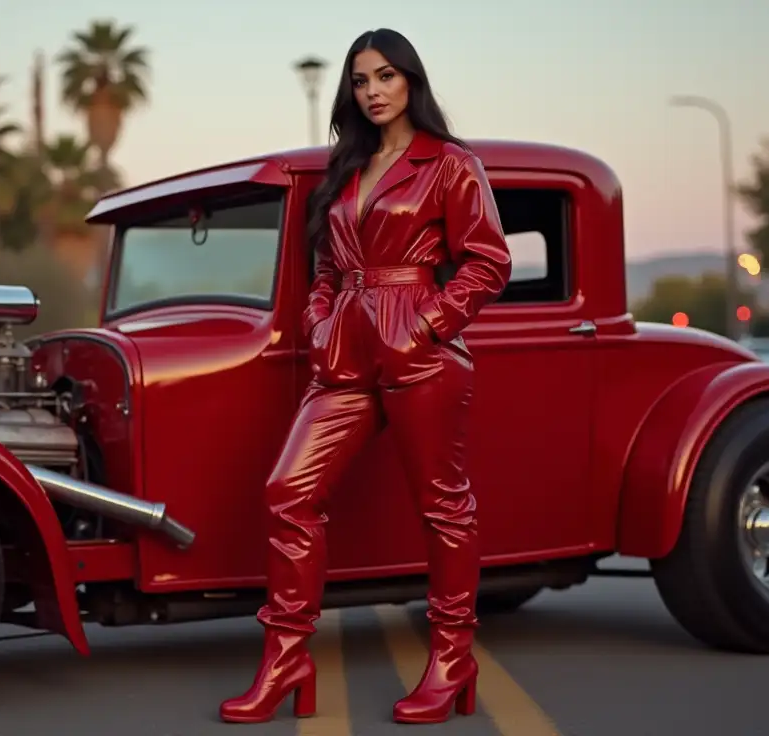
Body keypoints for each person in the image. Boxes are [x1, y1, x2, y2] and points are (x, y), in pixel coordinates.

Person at [218, 28, 512, 725]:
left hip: (419, 349)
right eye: (360, 80)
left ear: (411, 80)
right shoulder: (345, 170)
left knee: (444, 507)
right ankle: (286, 656)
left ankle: (451, 660)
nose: (373, 91)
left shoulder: (449, 163)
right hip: (345, 351)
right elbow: (323, 269)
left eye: (385, 76)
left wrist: (428, 323)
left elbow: (488, 261)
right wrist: (321, 324)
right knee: (288, 491)